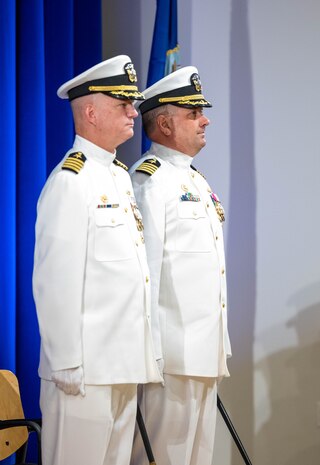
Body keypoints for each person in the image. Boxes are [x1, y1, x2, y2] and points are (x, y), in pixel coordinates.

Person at [32, 55, 162, 465]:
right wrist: (65, 361)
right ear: (89, 111)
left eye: (132, 102)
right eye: (121, 103)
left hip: (123, 365)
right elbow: (55, 281)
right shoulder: (71, 182)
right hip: (84, 372)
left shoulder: (120, 178)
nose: (132, 111)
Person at [129, 66, 232, 465]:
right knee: (162, 456)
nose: (205, 119)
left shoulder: (195, 181)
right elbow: (146, 274)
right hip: (169, 357)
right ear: (166, 124)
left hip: (204, 353)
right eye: (193, 114)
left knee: (197, 458)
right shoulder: (149, 182)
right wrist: (150, 354)